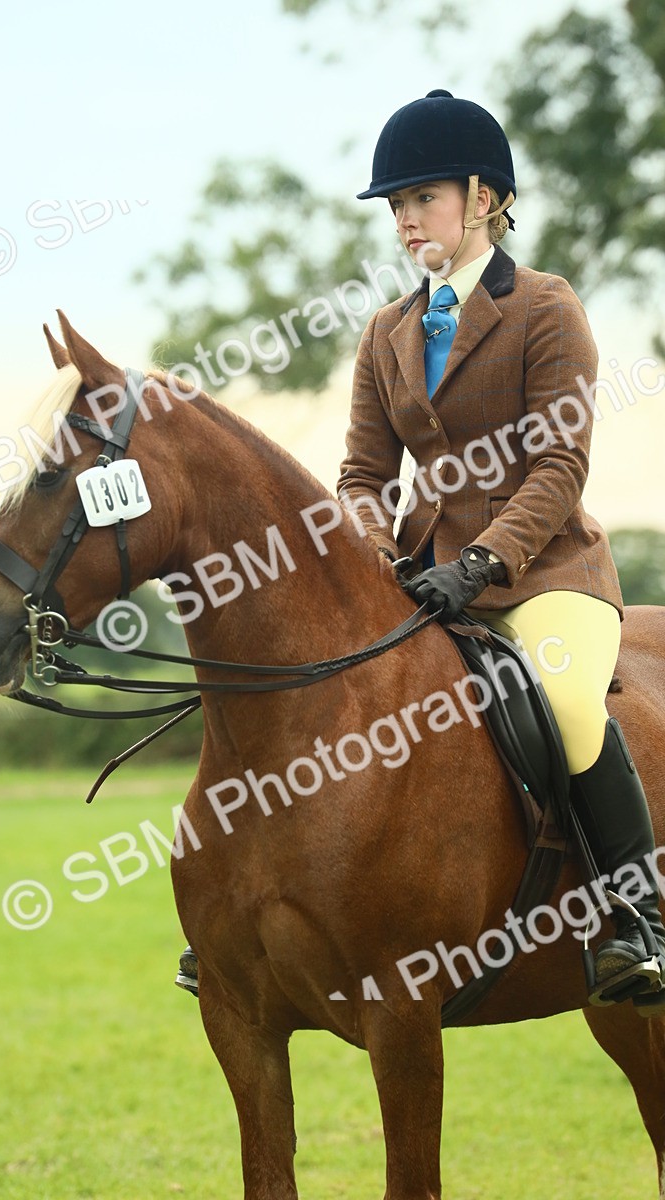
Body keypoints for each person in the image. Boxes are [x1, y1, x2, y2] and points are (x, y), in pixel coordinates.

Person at [335, 88, 665, 1011]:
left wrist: (481, 562)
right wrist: (374, 543)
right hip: (422, 581)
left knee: (564, 701)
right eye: (396, 206)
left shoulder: (547, 309)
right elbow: (362, 473)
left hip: (543, 573)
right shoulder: (386, 332)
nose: (405, 220)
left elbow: (560, 464)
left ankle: (638, 919)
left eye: (422, 199)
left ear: (484, 197)